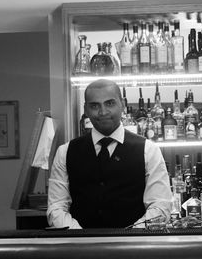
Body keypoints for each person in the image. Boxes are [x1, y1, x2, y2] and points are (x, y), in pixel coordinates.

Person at [47, 79, 172, 229]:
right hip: (80, 248)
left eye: (110, 103)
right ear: (86, 109)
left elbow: (160, 206)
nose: (103, 112)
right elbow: (56, 208)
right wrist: (81, 238)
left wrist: (130, 237)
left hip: (135, 247)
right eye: (94, 106)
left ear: (123, 105)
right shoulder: (65, 152)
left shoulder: (149, 150)